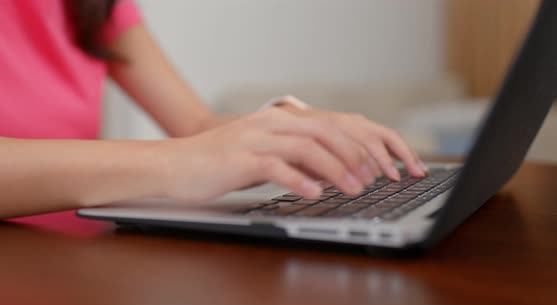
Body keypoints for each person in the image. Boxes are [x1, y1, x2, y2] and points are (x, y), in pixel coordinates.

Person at [0, 0, 428, 226]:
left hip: (72, 254)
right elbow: (192, 146)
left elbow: (196, 124)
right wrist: (176, 161)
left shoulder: (93, 4)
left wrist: (279, 125)